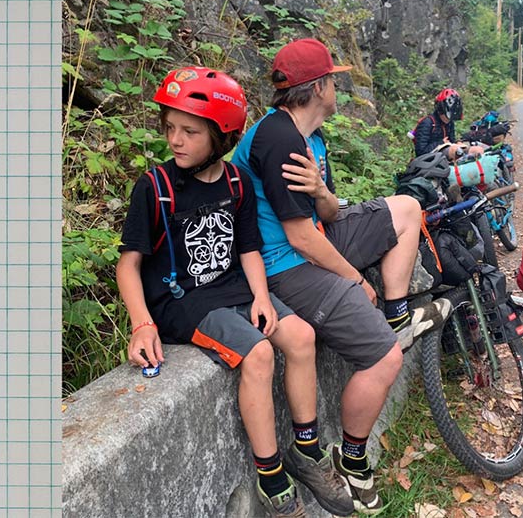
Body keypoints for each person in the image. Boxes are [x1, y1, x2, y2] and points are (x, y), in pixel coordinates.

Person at [115, 66, 354, 518]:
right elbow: (128, 265)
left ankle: (306, 449)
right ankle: (271, 475)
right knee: (259, 354)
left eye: (190, 131)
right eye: (170, 128)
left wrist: (262, 298)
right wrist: (141, 324)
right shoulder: (156, 188)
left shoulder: (236, 184)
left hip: (234, 287)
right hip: (182, 300)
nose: (175, 140)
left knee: (301, 336)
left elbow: (248, 249)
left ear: (222, 136)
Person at [232, 38, 452, 514]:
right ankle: (352, 458)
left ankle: (396, 313)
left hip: (315, 239)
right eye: (333, 79)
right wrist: (355, 278)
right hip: (282, 267)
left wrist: (319, 189)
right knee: (384, 360)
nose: (338, 86)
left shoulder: (311, 137)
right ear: (317, 88)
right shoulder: (278, 139)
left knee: (407, 209)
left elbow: (327, 214)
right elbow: (299, 239)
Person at [413, 88, 483, 160]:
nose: (449, 120)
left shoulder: (450, 123)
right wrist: (441, 142)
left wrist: (457, 143)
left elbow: (451, 140)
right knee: (456, 151)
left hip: (446, 152)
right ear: (440, 110)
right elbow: (420, 151)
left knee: (477, 150)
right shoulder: (427, 123)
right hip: (428, 158)